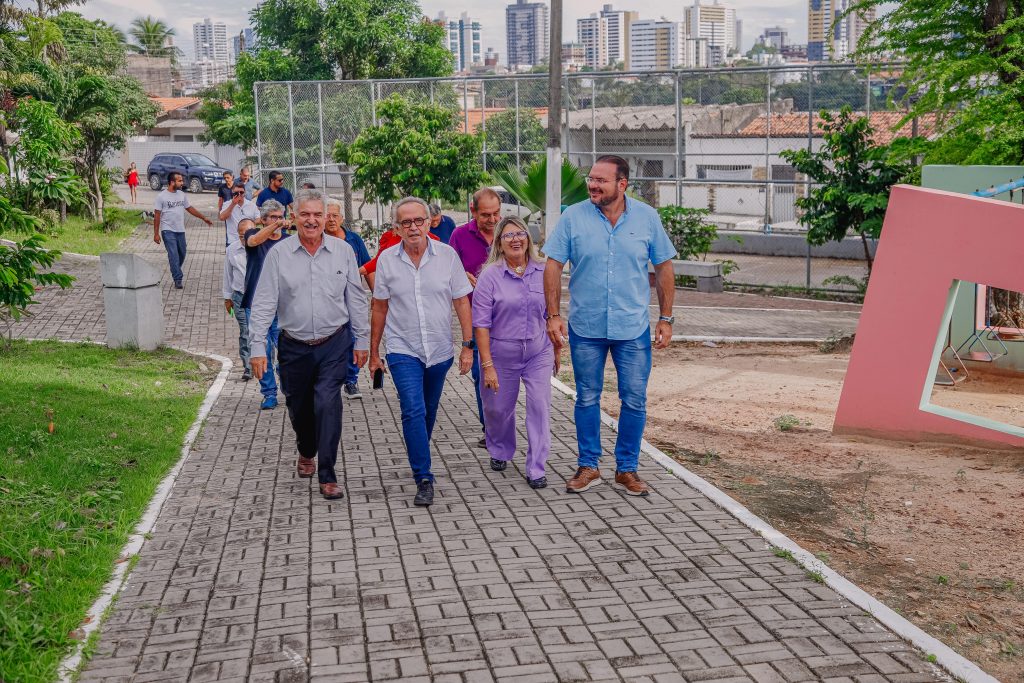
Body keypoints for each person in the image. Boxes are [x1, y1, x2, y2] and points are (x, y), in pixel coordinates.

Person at [543, 155, 677, 497]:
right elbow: (553, 265)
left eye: (600, 180)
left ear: (622, 184)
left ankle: (627, 469)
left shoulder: (647, 218)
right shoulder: (573, 217)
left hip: (632, 328)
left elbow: (663, 267)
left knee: (634, 399)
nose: (592, 185)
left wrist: (665, 318)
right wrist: (553, 314)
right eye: (591, 179)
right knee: (586, 397)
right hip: (586, 326)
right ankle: (588, 466)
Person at [249, 188, 369, 501]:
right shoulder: (279, 254)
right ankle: (306, 449)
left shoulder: (343, 251)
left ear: (326, 217)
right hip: (294, 346)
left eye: (318, 214)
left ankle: (327, 474)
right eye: (305, 214)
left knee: (328, 403)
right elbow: (263, 303)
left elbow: (356, 298)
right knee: (299, 408)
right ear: (294, 217)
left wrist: (362, 340)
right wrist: (258, 347)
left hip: (334, 343)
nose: (312, 220)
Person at [368, 197, 474, 507]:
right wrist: (374, 353)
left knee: (427, 411)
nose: (413, 227)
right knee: (412, 409)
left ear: (429, 223)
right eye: (406, 222)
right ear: (396, 228)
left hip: (439, 350)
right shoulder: (387, 260)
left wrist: (467, 346)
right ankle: (423, 477)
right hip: (402, 349)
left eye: (418, 221)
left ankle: (418, 449)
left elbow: (461, 302)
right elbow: (379, 307)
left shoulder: (447, 256)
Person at [473, 216, 558, 489]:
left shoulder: (543, 270)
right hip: (500, 353)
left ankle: (536, 468)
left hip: (538, 351)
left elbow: (552, 314)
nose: (516, 240)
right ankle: (499, 448)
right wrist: (487, 365)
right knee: (498, 409)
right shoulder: (490, 276)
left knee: (539, 407)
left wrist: (557, 350)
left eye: (520, 234)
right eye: (508, 235)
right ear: (499, 243)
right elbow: (481, 324)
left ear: (528, 239)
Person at [449, 188, 502, 448]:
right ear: (473, 211)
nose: (492, 220)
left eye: (496, 214)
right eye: (485, 215)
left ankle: (502, 424)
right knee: (483, 375)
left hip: (508, 319)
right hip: (478, 320)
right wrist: (460, 275)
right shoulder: (459, 235)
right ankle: (491, 430)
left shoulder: (508, 233)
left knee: (506, 376)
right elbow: (447, 270)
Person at [243, 200, 291, 409]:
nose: (278, 221)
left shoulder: (288, 241)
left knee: (286, 349)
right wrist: (276, 226)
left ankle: (287, 382)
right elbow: (253, 241)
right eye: (273, 217)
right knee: (261, 348)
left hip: (283, 305)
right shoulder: (253, 234)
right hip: (256, 303)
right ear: (263, 220)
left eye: (281, 217)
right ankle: (269, 393)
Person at [324, 198, 371, 399]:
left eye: (335, 215)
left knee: (353, 337)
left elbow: (368, 266)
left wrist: (376, 294)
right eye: (327, 215)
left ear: (342, 218)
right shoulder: (317, 240)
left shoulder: (354, 240)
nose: (331, 219)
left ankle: (351, 380)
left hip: (351, 298)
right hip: (327, 300)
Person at [153, 171, 213, 290]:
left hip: (180, 230)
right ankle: (178, 279)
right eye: (179, 181)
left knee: (182, 253)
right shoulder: (161, 197)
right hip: (167, 230)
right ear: (172, 182)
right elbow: (157, 215)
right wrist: (156, 234)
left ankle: (174, 268)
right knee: (173, 255)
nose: (182, 183)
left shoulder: (181, 194)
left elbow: (189, 208)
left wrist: (203, 218)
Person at [360, 222, 439, 291]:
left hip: (424, 281)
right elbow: (379, 261)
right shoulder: (389, 237)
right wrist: (358, 272)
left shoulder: (430, 239)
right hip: (397, 282)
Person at [223, 218, 253, 381]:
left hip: (259, 298)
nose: (245, 238)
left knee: (264, 333)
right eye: (242, 235)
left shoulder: (262, 247)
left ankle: (267, 363)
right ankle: (248, 366)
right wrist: (227, 298)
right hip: (240, 297)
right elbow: (228, 275)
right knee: (245, 331)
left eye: (248, 234)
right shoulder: (232, 250)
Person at [218, 181, 260, 247]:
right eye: (236, 193)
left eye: (241, 192)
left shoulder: (252, 205)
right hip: (233, 240)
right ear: (232, 192)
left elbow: (258, 219)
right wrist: (233, 204)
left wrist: (248, 225)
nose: (239, 194)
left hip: (248, 240)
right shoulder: (227, 204)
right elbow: (222, 218)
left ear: (244, 193)